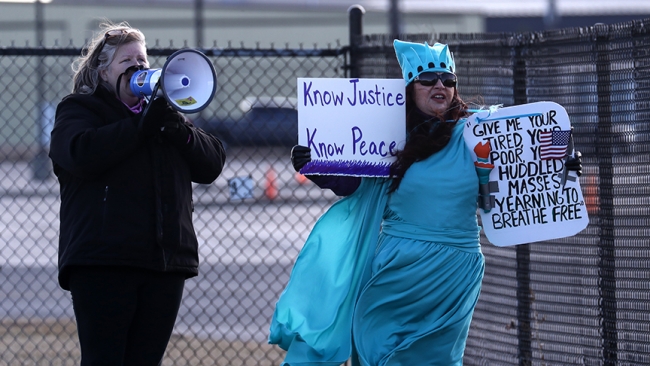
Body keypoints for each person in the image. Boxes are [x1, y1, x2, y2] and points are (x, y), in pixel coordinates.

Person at [269, 40, 582, 365]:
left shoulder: (477, 131)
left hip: (453, 270)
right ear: (410, 88)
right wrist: (315, 164)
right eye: (428, 78)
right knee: (377, 349)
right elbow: (351, 183)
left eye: (448, 80)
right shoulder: (385, 134)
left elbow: (529, 151)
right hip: (396, 266)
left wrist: (566, 163)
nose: (439, 85)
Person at [49, 21, 226, 366]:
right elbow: (79, 154)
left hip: (164, 264)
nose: (139, 68)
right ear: (102, 72)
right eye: (127, 62)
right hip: (103, 262)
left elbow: (212, 163)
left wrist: (180, 130)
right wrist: (138, 127)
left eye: (143, 62)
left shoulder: (163, 116)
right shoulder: (80, 110)